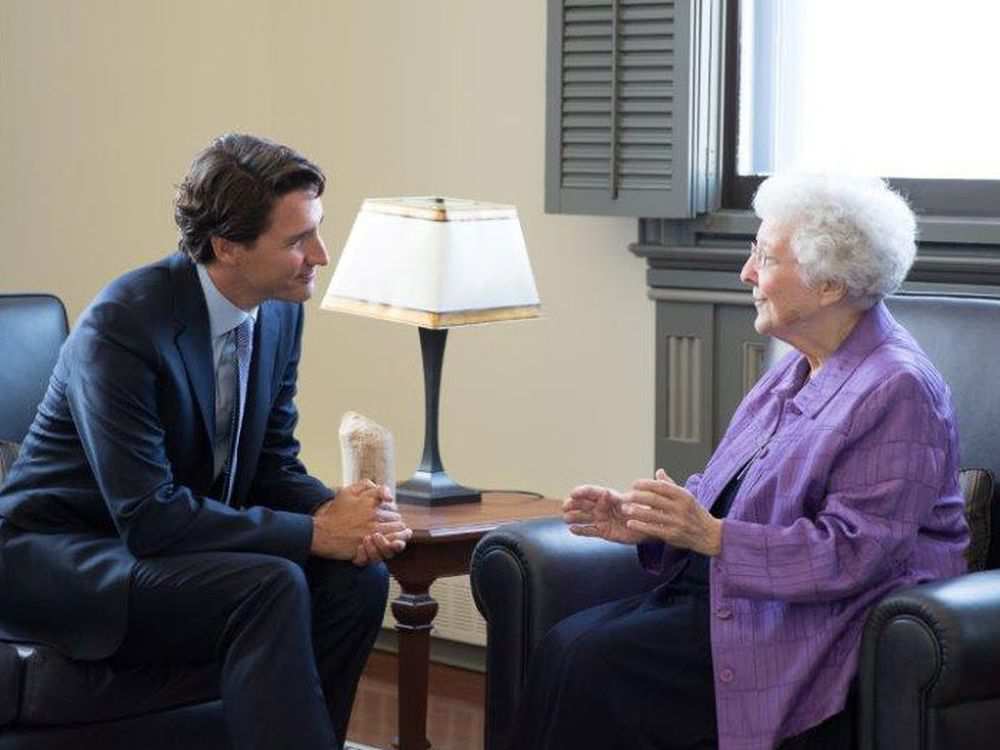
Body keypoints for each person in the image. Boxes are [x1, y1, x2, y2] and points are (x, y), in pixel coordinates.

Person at [511, 175, 970, 750]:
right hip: (739, 595)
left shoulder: (898, 387)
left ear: (828, 284)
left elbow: (855, 552)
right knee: (567, 648)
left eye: (765, 257)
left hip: (815, 616)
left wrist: (712, 535)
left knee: (589, 662)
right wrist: (646, 523)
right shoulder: (795, 365)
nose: (747, 274)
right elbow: (733, 490)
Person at [0, 133, 412, 750]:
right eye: (297, 240)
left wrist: (345, 514)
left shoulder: (278, 311)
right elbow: (148, 517)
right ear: (227, 247)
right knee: (269, 585)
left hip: (165, 551)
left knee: (358, 580)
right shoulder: (124, 325)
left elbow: (272, 464)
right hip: (64, 557)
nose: (320, 255)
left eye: (317, 231)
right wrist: (315, 533)